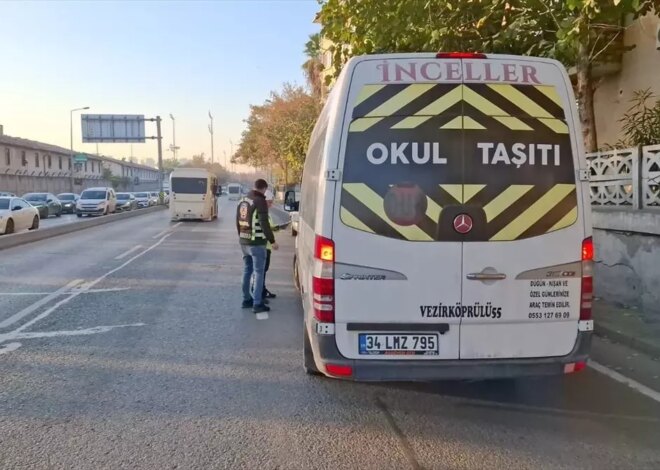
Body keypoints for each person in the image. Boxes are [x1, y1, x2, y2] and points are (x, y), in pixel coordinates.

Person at [236, 179, 278, 314]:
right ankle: (257, 303)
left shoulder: (243, 200)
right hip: (257, 242)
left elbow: (237, 221)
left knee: (247, 271)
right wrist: (272, 241)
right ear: (264, 188)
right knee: (259, 273)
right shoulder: (260, 201)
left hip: (244, 241)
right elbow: (264, 222)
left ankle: (246, 299)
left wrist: (241, 237)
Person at [263, 189, 279, 299]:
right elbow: (265, 228)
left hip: (266, 247)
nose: (271, 204)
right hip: (263, 246)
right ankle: (260, 292)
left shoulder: (266, 213)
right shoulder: (262, 212)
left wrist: (277, 228)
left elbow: (269, 227)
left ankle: (262, 290)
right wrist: (273, 242)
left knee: (264, 270)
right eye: (269, 202)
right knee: (261, 271)